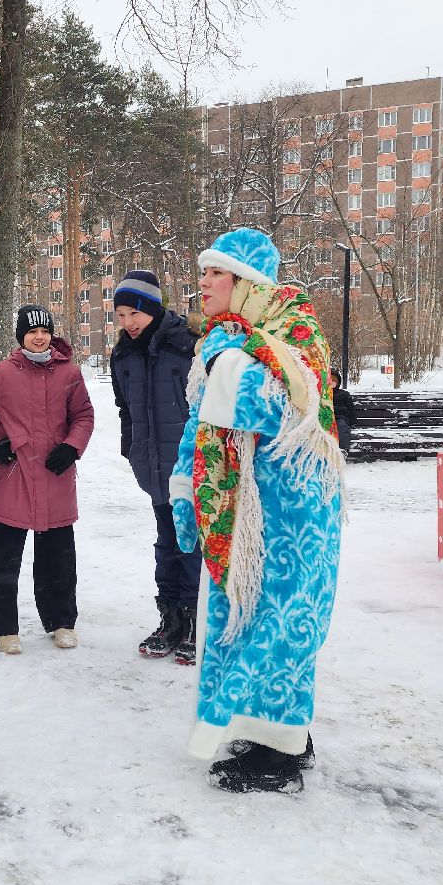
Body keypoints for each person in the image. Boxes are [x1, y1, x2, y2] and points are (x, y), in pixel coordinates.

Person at [169, 228, 345, 795]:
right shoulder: (228, 341)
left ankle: (284, 750)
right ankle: (265, 731)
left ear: (247, 283)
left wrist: (231, 362)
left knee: (283, 622)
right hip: (252, 513)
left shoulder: (293, 332)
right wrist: (183, 488)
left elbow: (285, 412)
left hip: (294, 510)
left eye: (214, 274)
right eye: (202, 273)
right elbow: (203, 426)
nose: (202, 284)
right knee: (243, 617)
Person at [0, 304, 95, 654]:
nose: (39, 337)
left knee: (59, 556)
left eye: (45, 331)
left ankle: (62, 621)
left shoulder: (70, 374)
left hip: (56, 475)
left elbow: (83, 415)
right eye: (32, 332)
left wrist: (72, 447)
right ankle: (4, 627)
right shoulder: (2, 374)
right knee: (4, 555)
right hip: (15, 476)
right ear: (21, 336)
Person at [109, 269, 203, 665]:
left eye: (135, 313)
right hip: (153, 466)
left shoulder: (187, 347)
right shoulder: (123, 355)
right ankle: (171, 619)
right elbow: (125, 409)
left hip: (194, 468)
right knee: (166, 544)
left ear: (151, 309)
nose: (128, 323)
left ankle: (199, 621)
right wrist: (131, 448)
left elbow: (207, 407)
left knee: (194, 545)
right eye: (122, 315)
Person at [330, 368, 356, 457]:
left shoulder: (344, 394)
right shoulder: (322, 393)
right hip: (326, 417)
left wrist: (352, 422)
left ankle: (343, 449)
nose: (332, 382)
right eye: (330, 380)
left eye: (334, 380)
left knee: (342, 427)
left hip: (340, 417)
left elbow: (351, 409)